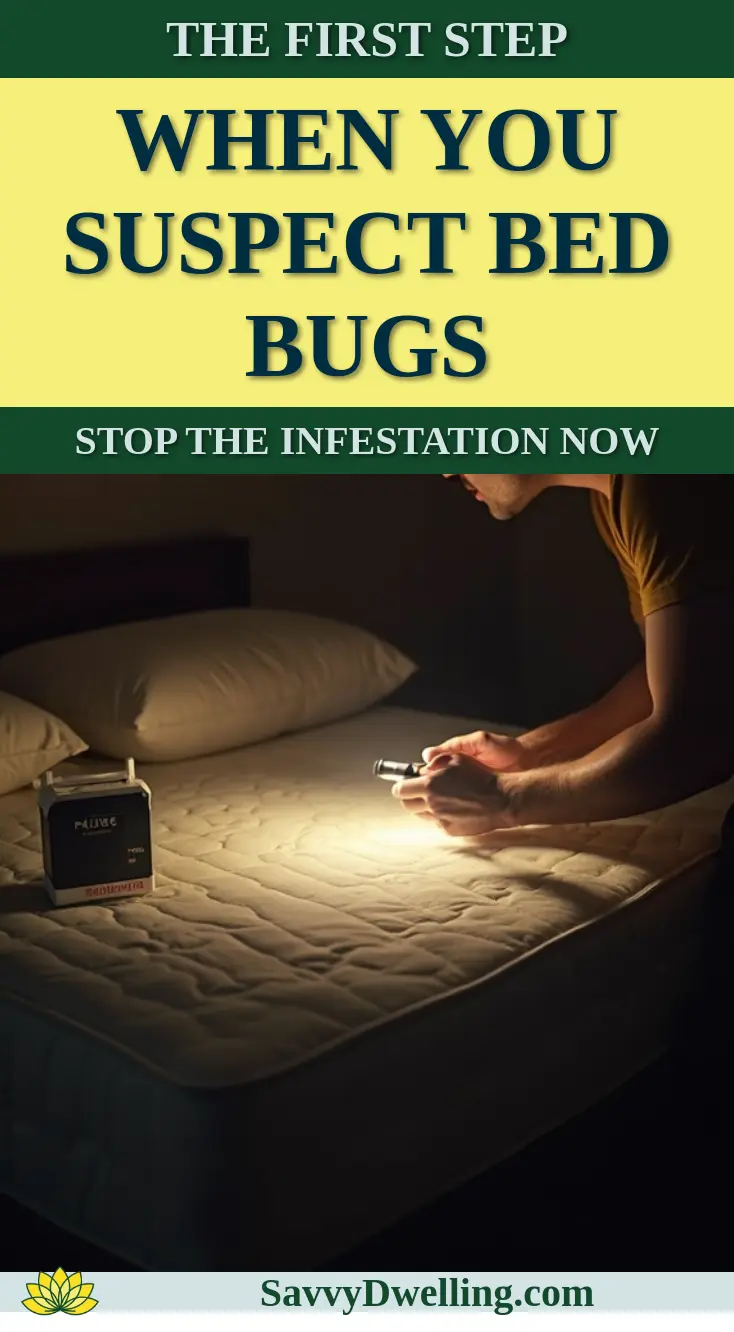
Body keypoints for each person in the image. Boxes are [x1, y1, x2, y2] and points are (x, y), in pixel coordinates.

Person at [393, 473, 734, 837]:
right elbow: (693, 671)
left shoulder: (664, 481)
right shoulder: (614, 496)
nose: (446, 470)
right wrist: (531, 754)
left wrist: (503, 799)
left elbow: (699, 734)